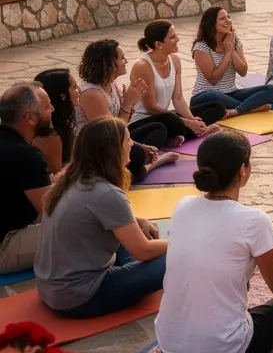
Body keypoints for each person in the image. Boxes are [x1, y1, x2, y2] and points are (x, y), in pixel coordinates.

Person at [156, 129, 273, 353]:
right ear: (243, 170)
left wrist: (254, 256)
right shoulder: (254, 220)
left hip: (170, 348)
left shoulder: (182, 206)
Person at [35, 116, 167, 318]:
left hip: (52, 289)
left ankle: (133, 272)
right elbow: (143, 250)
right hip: (81, 297)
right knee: (175, 255)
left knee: (135, 235)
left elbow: (98, 215)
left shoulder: (72, 179)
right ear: (113, 149)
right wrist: (183, 241)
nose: (131, 144)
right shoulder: (106, 193)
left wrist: (137, 220)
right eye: (127, 140)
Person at [77, 38, 178, 183]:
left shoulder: (113, 85)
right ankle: (152, 164)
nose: (126, 61)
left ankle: (142, 162)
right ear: (108, 63)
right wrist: (128, 104)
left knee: (158, 128)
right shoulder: (92, 94)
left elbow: (123, 125)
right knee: (137, 154)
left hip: (117, 138)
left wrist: (130, 106)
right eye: (122, 58)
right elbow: (110, 136)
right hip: (98, 150)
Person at [130, 21, 226, 145]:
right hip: (145, 120)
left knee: (217, 107)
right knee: (166, 124)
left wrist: (192, 119)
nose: (178, 39)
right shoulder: (143, 66)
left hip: (166, 117)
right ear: (159, 44)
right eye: (172, 37)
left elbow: (178, 98)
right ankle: (180, 134)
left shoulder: (174, 61)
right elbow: (151, 107)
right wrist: (187, 123)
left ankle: (182, 134)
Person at [0, 84, 53, 274]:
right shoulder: (25, 155)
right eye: (47, 107)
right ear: (30, 117)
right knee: (84, 227)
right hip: (4, 245)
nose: (53, 110)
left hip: (12, 220)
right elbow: (55, 212)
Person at [190, 8, 273, 116]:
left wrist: (231, 50)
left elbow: (243, 71)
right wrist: (227, 53)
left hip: (231, 93)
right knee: (215, 95)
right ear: (211, 24)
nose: (228, 21)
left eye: (228, 17)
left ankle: (237, 110)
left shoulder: (234, 42)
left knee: (271, 89)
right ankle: (250, 108)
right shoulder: (201, 47)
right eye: (223, 18)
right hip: (204, 96)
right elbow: (213, 80)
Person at [33, 68, 79, 174]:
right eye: (75, 87)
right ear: (63, 96)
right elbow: (56, 173)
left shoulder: (64, 117)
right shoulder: (50, 133)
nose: (79, 89)